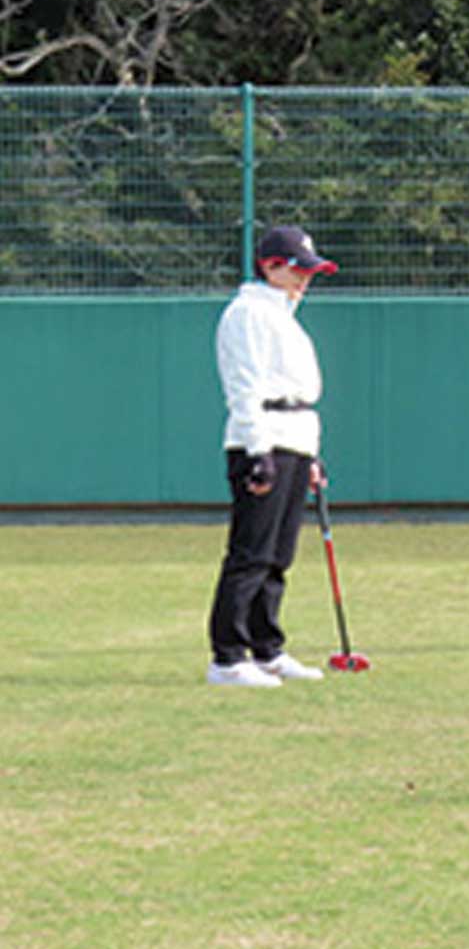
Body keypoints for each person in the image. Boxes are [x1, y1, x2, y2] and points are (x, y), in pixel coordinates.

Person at [206, 226, 338, 687]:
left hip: (294, 439)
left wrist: (310, 455)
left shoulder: (285, 315)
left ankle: (267, 649)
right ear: (270, 266)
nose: (306, 279)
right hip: (261, 439)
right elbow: (245, 385)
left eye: (310, 270)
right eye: (298, 269)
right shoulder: (247, 314)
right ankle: (227, 657)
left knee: (279, 554)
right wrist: (259, 451)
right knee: (251, 552)